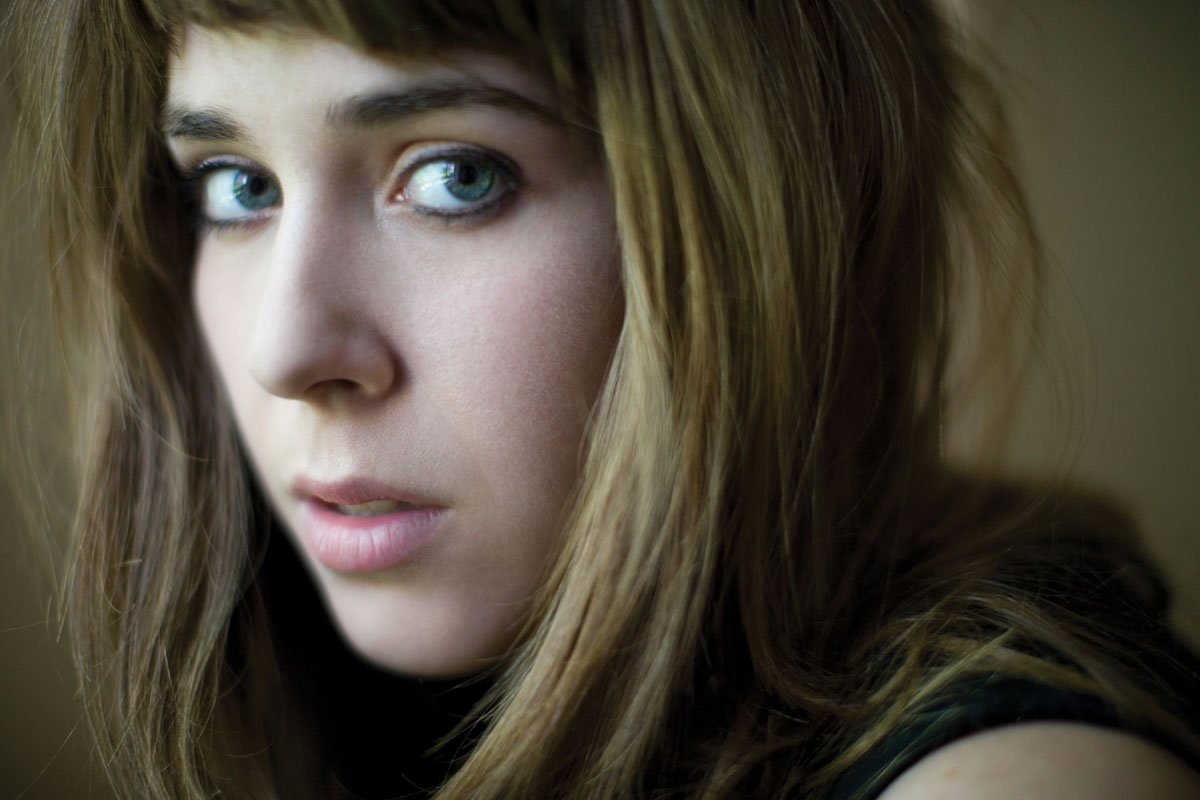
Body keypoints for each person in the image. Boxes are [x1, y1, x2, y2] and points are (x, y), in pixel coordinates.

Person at [3, 0, 1198, 797]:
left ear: (751, 220)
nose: (286, 347)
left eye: (456, 175)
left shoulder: (1020, 769)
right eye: (235, 186)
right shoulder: (339, 707)